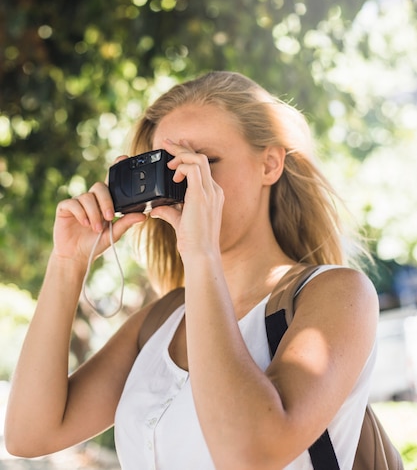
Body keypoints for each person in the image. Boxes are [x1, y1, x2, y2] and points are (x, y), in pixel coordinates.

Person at [5, 71, 379, 470]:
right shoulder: (162, 320)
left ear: (270, 165)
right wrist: (67, 265)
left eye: (201, 163)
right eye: (170, 169)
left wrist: (201, 255)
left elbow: (247, 454)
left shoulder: (337, 294)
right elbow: (30, 434)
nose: (184, 184)